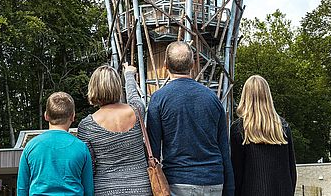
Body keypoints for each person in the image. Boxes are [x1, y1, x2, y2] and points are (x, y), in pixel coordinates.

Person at [147, 41, 235, 196]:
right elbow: (223, 148)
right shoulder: (213, 99)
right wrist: (229, 189)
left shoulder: (158, 99)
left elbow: (153, 151)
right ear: (193, 64)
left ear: (166, 65)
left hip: (177, 182)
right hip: (213, 181)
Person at [77, 64, 152, 196]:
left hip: (105, 189)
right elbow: (133, 95)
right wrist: (129, 74)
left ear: (94, 88)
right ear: (117, 86)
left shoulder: (86, 125)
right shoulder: (137, 111)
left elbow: (89, 167)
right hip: (141, 188)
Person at [230, 75, 297, 196]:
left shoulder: (239, 129)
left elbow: (237, 172)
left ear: (245, 97)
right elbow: (292, 170)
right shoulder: (283, 127)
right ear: (268, 96)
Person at [17, 92, 93, 196]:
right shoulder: (81, 148)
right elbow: (89, 190)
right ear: (72, 116)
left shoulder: (31, 146)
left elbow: (22, 189)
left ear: (46, 116)